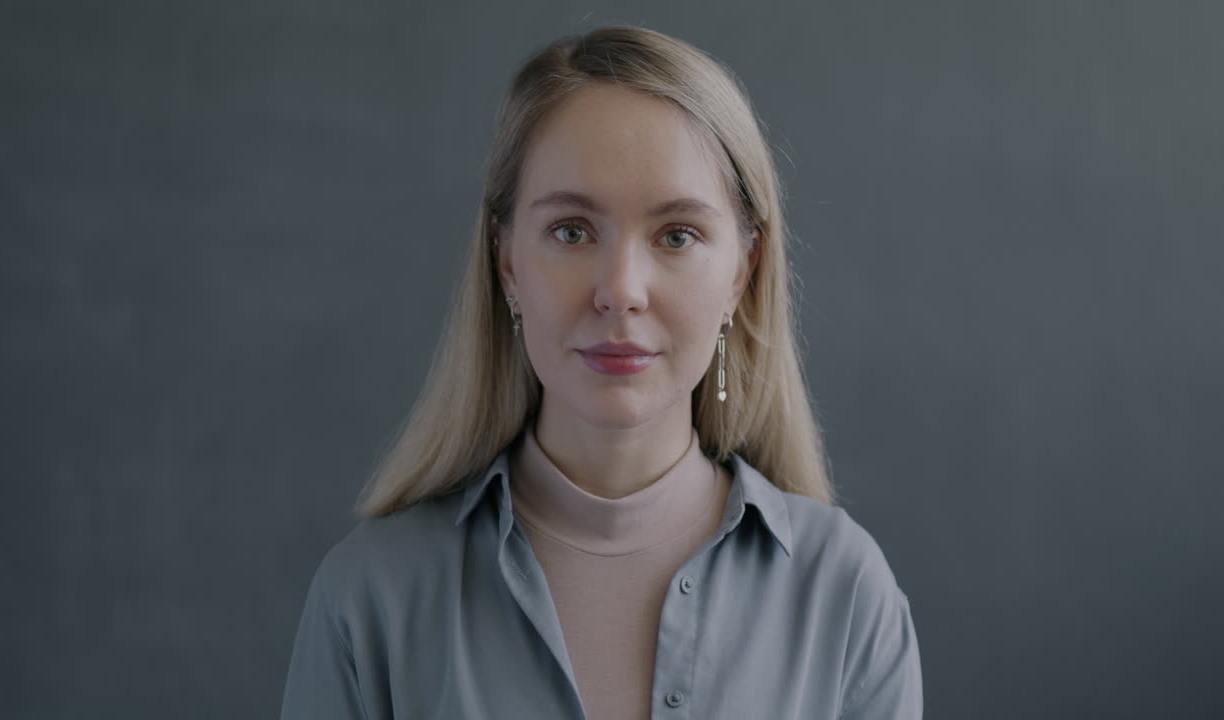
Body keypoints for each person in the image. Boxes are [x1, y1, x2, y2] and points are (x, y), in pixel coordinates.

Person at [280, 24, 922, 720]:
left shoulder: (845, 595)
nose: (620, 290)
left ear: (742, 272)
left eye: (677, 235)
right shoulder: (370, 598)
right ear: (506, 265)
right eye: (572, 231)